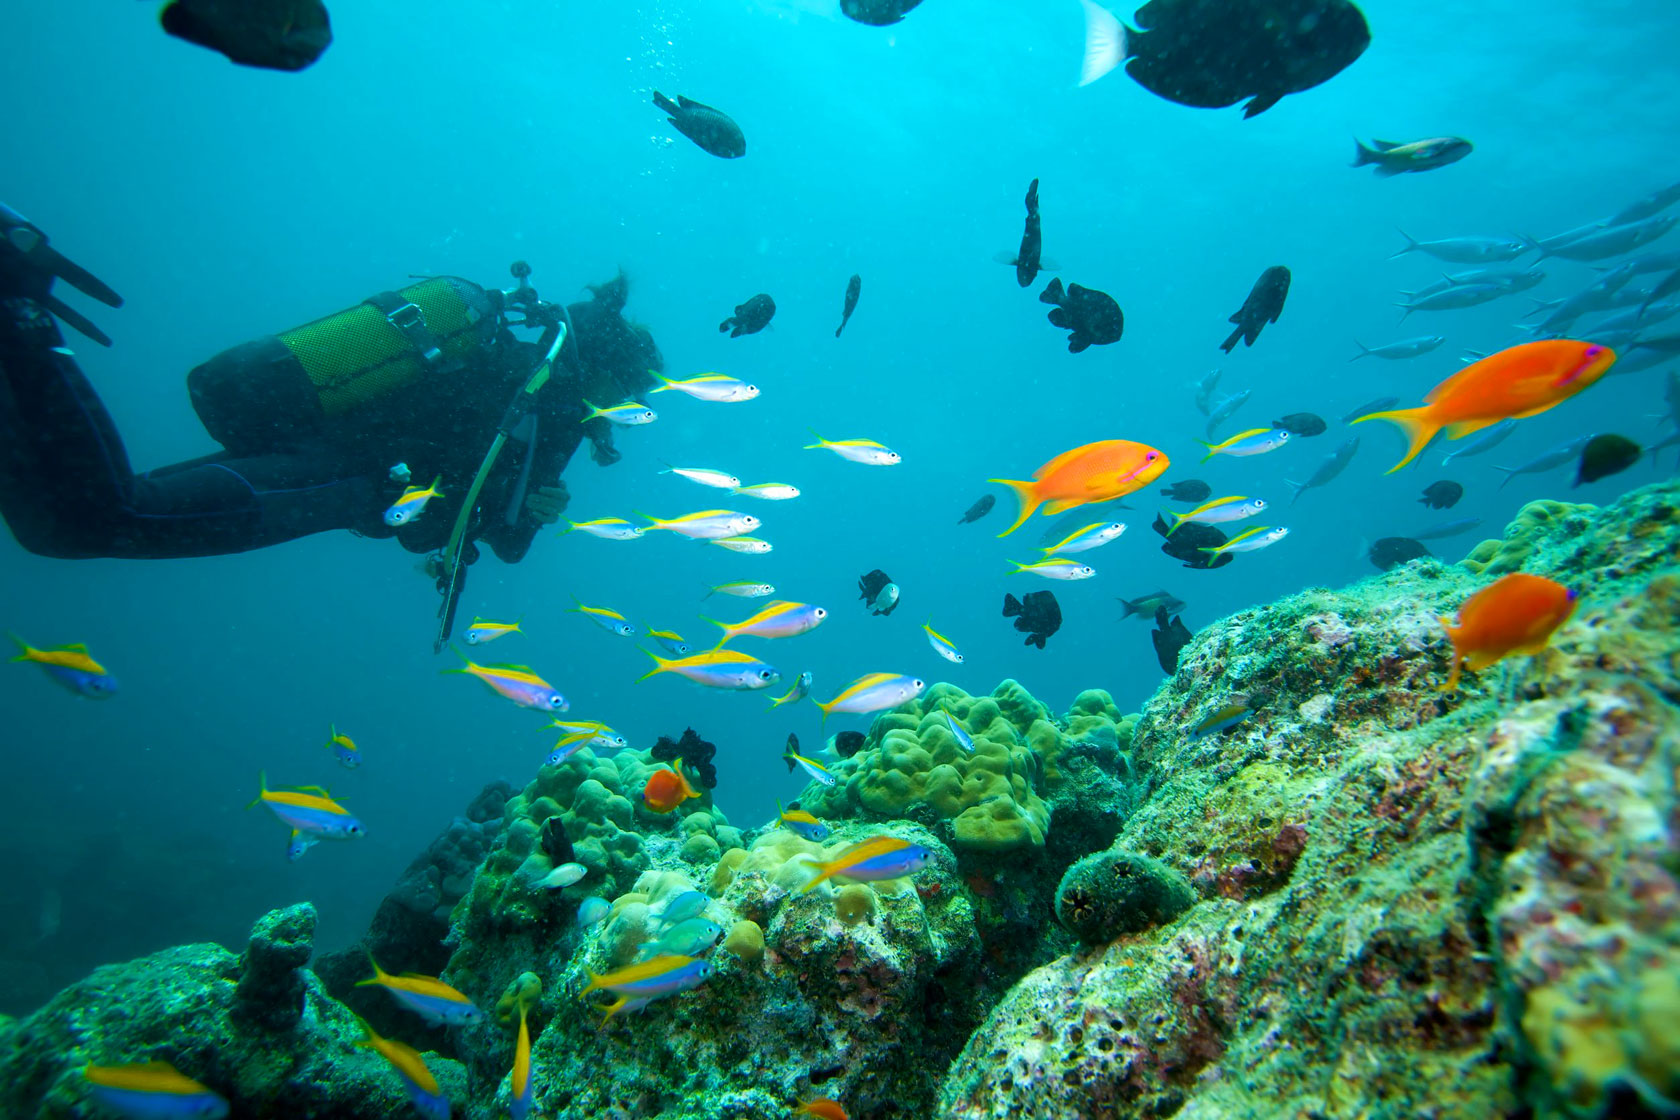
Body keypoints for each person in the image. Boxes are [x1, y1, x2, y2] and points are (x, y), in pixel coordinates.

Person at [0, 206, 660, 584]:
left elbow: (462, 520)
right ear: (608, 373)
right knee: (106, 518)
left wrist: (531, 507)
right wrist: (535, 503)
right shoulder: (549, 400)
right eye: (626, 395)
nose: (620, 418)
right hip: (346, 477)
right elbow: (488, 532)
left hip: (316, 449)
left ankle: (13, 328)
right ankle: (24, 319)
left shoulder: (512, 373)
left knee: (61, 525)